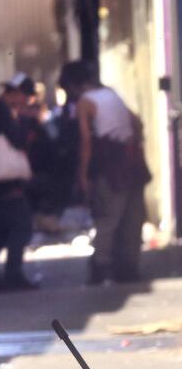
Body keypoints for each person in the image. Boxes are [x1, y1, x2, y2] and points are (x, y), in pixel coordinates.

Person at [61, 60, 149, 285]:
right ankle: (128, 268)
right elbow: (137, 122)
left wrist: (83, 174)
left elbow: (86, 140)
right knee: (132, 217)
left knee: (107, 218)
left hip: (109, 166)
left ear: (72, 85)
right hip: (131, 161)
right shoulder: (112, 94)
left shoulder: (85, 101)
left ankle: (100, 267)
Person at [0, 75, 41, 292]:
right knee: (21, 226)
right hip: (4, 183)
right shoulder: (1, 112)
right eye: (25, 96)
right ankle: (12, 274)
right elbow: (17, 141)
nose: (25, 102)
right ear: (15, 93)